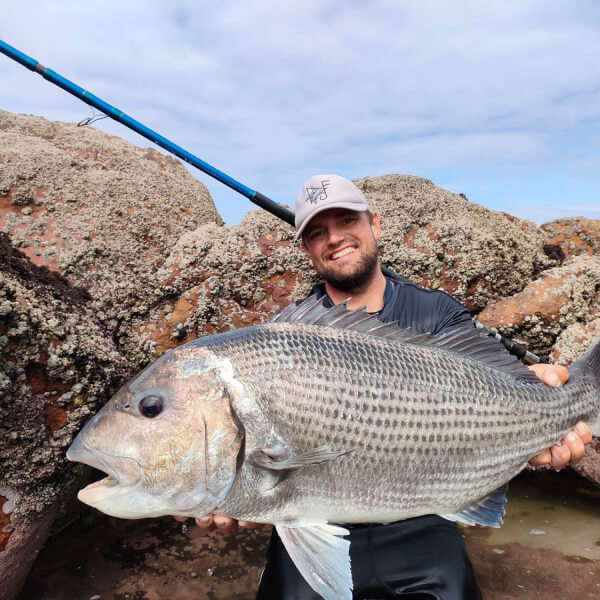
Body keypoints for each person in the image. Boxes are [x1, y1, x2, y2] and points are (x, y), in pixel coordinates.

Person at [175, 174, 592, 599]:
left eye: (346, 221)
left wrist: (544, 410)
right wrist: (233, 492)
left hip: (423, 515)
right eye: (317, 232)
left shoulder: (436, 313)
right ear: (305, 249)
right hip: (306, 519)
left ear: (374, 223)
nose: (334, 238)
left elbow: (495, 384)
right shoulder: (285, 332)